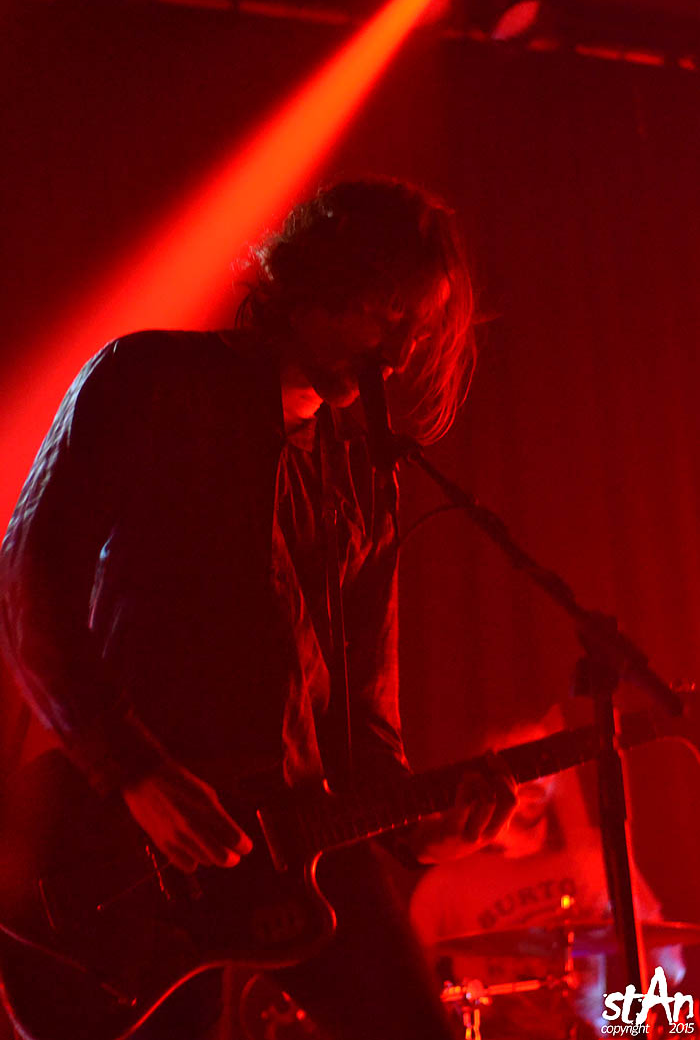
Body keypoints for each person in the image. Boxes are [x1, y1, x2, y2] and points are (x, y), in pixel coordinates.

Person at [0, 177, 516, 1040]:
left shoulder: (365, 480)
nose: (397, 353)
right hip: (128, 848)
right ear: (312, 281)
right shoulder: (149, 380)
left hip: (300, 838)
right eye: (384, 313)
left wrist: (427, 829)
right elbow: (28, 577)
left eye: (417, 328)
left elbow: (363, 730)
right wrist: (132, 771)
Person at [410, 706, 685, 1038]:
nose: (535, 779)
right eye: (518, 763)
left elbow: (668, 967)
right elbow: (406, 988)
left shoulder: (593, 864)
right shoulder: (444, 883)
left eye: (543, 762)